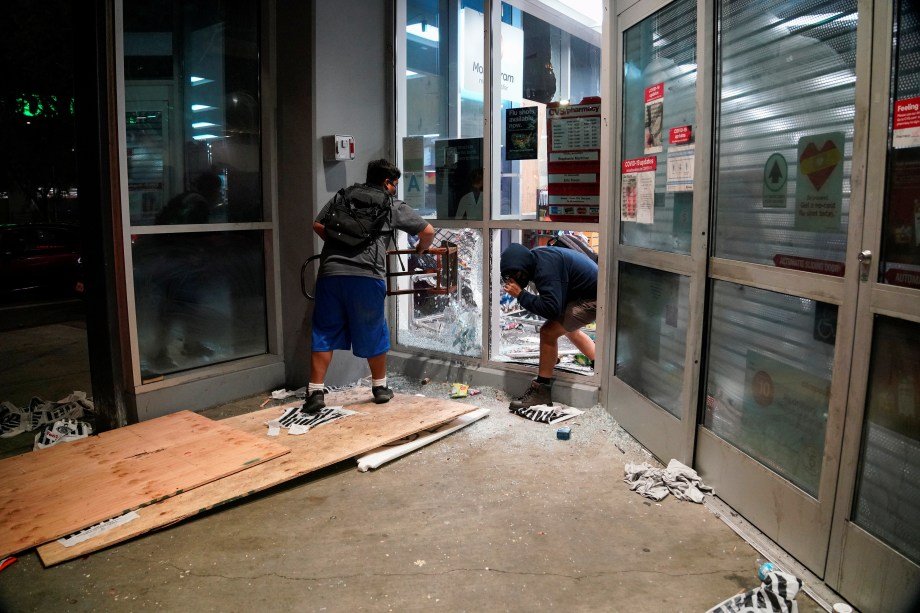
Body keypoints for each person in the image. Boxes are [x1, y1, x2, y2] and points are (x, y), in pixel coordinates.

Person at [307, 159, 435, 412]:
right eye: (394, 184)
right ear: (387, 182)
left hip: (331, 273)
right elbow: (428, 231)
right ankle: (379, 388)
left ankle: (314, 393)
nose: (395, 189)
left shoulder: (343, 197)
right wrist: (421, 249)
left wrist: (341, 245)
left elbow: (318, 224)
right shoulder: (392, 205)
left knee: (324, 331)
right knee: (373, 329)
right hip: (367, 276)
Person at [499, 242, 597, 409]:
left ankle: (541, 391)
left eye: (515, 276)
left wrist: (521, 295)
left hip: (595, 297)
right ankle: (598, 362)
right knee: (567, 329)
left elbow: (551, 309)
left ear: (522, 269)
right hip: (587, 290)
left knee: (548, 332)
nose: (513, 281)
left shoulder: (545, 271)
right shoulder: (536, 259)